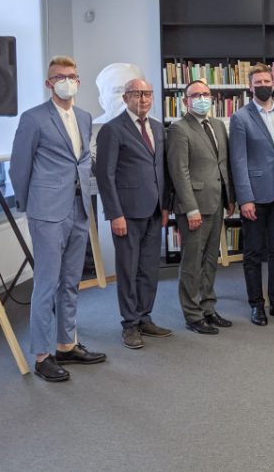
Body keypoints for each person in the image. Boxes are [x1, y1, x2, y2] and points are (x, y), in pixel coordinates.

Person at [10, 56, 106, 382]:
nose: (67, 81)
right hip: (47, 212)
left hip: (78, 209)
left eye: (72, 76)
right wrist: (29, 205)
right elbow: (19, 167)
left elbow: (83, 162)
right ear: (49, 83)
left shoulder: (83, 116)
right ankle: (42, 355)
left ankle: (67, 344)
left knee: (71, 283)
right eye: (60, 76)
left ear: (78, 81)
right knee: (46, 285)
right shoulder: (33, 118)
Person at [95, 78, 173, 349]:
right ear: (126, 97)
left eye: (148, 94)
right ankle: (129, 324)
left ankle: (144, 317)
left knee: (149, 268)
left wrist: (166, 206)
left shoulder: (157, 128)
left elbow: (161, 169)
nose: (143, 99)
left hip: (154, 210)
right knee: (128, 270)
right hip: (126, 214)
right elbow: (106, 176)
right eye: (138, 94)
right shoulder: (112, 130)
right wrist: (115, 214)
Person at [229, 63, 274, 326]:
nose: (263, 85)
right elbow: (238, 161)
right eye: (257, 82)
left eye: (267, 81)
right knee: (254, 252)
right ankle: (257, 304)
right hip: (255, 195)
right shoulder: (240, 118)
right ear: (250, 86)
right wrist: (244, 198)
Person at [167, 79, 235, 335]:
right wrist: (190, 208)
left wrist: (230, 198)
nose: (201, 99)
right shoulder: (178, 129)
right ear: (186, 101)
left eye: (206, 94)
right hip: (194, 206)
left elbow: (222, 164)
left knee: (210, 259)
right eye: (195, 95)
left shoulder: (218, 125)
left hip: (216, 201)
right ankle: (193, 314)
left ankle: (208, 307)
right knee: (192, 262)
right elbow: (179, 172)